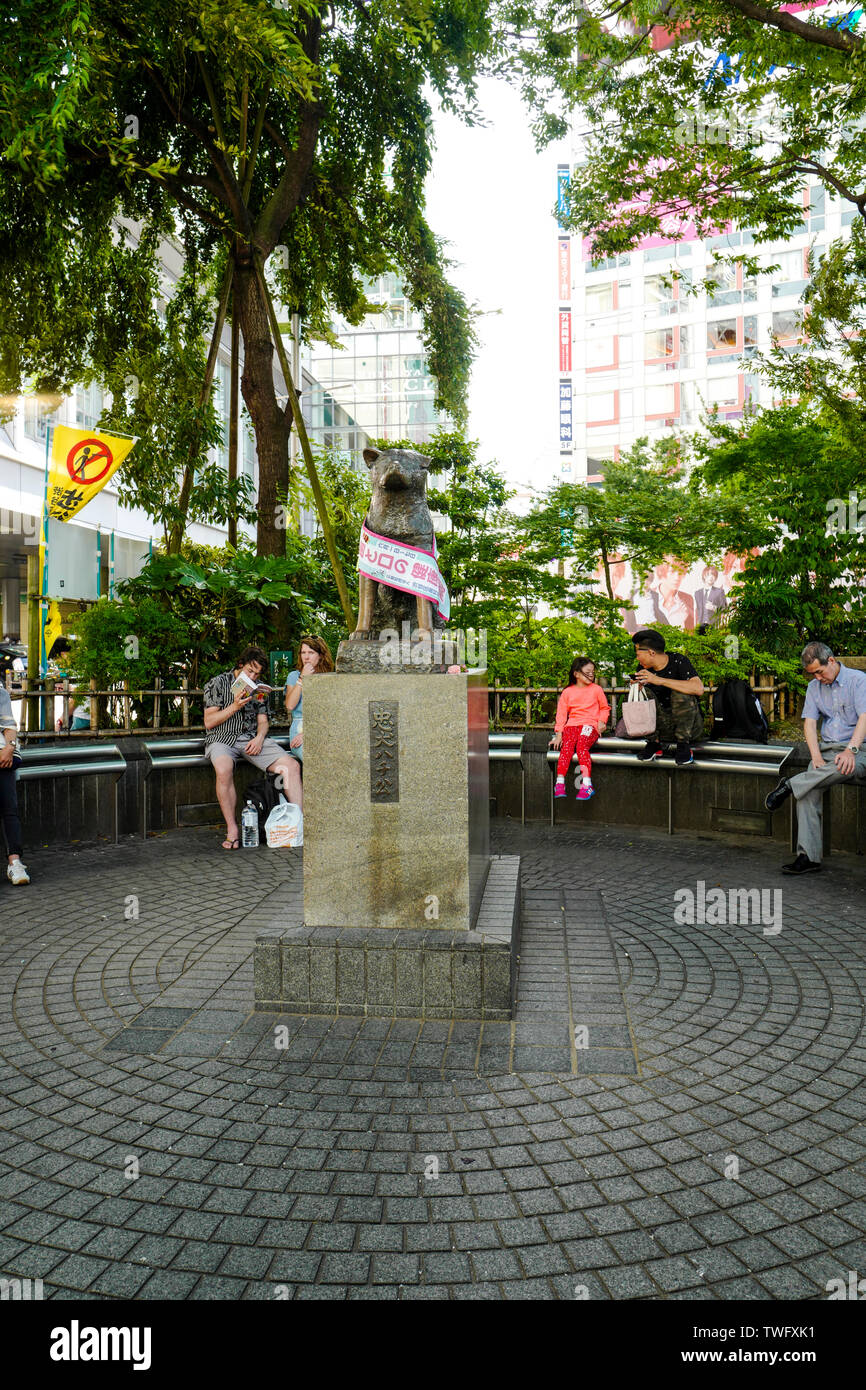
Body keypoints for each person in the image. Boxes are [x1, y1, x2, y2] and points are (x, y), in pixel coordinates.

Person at [765, 641, 866, 874]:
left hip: (859, 749)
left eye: (819, 672)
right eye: (813, 675)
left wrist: (851, 750)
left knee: (842, 766)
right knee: (810, 787)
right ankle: (808, 857)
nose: (818, 678)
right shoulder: (814, 687)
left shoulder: (858, 680)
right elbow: (810, 724)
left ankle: (790, 784)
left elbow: (864, 718)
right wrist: (816, 756)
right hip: (828, 750)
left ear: (831, 661)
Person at [204, 644, 302, 850]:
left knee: (291, 766)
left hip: (249, 738)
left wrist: (259, 738)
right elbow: (209, 722)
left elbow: (263, 721)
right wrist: (235, 706)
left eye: (257, 674)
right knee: (223, 769)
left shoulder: (259, 689)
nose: (253, 677)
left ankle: (299, 823)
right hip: (221, 738)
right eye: (250, 671)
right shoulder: (218, 683)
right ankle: (232, 829)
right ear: (241, 664)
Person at [630, 628, 705, 766]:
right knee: (643, 694)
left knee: (681, 692)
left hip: (690, 728)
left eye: (638, 654)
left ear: (651, 652)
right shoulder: (642, 668)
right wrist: (637, 687)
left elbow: (698, 688)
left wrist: (658, 680)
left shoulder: (679, 660)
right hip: (662, 729)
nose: (637, 658)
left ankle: (683, 746)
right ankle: (654, 743)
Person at [549, 656, 610, 801]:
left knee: (582, 746)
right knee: (566, 748)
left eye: (593, 672)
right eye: (587, 672)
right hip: (571, 726)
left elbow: (604, 708)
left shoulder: (596, 689)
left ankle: (587, 784)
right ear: (576, 674)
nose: (591, 675)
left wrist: (601, 721)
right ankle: (559, 782)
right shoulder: (567, 692)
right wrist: (558, 734)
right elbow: (562, 715)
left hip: (590, 725)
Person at [284, 636, 334, 763]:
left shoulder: (329, 678)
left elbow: (332, 712)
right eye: (303, 652)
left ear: (321, 655)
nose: (306, 657)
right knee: (313, 757)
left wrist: (311, 732)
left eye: (311, 653)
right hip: (300, 728)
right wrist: (302, 679)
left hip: (325, 727)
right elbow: (290, 705)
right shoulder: (294, 676)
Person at [0, 684, 30, 884]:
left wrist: (9, 748)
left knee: (9, 808)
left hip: (2, 756)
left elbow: (9, 726)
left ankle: (14, 863)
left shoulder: (0, 692)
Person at [694, 565, 727, 631]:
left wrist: (713, 607)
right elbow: (698, 610)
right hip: (700, 626)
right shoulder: (697, 593)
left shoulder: (719, 592)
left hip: (714, 626)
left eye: (713, 575)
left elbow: (725, 610)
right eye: (708, 574)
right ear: (704, 576)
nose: (711, 577)